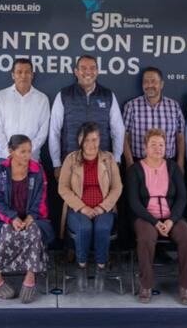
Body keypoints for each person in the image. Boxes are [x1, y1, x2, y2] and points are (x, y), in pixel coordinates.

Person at [127, 129, 187, 305]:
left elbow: (182, 197)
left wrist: (171, 220)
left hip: (172, 216)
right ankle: (146, 285)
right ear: (145, 147)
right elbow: (134, 202)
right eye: (153, 145)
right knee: (146, 238)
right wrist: (155, 222)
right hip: (146, 217)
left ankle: (185, 285)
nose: (158, 148)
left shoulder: (173, 168)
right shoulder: (135, 169)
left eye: (161, 145)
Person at [0, 135, 54, 304]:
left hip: (33, 217)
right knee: (8, 233)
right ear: (11, 152)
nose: (27, 155)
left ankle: (30, 276)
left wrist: (31, 216)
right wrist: (11, 218)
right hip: (5, 219)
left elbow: (42, 197)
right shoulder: (0, 170)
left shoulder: (37, 170)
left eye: (29, 151)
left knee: (33, 233)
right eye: (22, 151)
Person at [58, 122, 123, 292]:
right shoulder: (71, 159)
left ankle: (101, 268)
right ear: (80, 141)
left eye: (94, 139)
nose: (91, 144)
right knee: (84, 228)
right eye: (86, 140)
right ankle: (82, 267)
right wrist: (82, 207)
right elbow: (63, 187)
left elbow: (117, 187)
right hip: (78, 209)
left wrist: (102, 207)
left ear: (100, 140)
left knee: (102, 228)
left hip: (104, 209)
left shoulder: (108, 159)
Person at [49, 55, 125, 179]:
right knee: (72, 198)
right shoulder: (64, 95)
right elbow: (54, 131)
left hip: (102, 163)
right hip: (71, 161)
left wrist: (116, 159)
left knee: (101, 198)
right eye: (83, 68)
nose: (88, 71)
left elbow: (118, 130)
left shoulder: (108, 95)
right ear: (76, 72)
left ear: (97, 71)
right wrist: (56, 163)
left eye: (92, 68)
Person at [122, 66, 186, 170]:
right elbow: (124, 136)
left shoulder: (174, 106)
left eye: (153, 81)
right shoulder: (131, 106)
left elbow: (180, 137)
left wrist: (180, 163)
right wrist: (130, 162)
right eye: (146, 81)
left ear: (161, 84)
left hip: (168, 163)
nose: (149, 85)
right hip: (139, 163)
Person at [0, 58, 50, 161]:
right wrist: (9, 152)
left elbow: (43, 132)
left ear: (32, 75)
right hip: (6, 157)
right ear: (13, 75)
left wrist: (27, 152)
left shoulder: (42, 99)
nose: (23, 76)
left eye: (27, 72)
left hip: (32, 158)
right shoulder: (1, 96)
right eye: (19, 72)